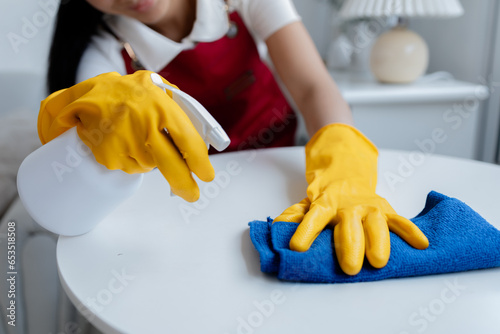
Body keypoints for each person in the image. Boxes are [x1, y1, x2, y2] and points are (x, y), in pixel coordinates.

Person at [41, 0, 429, 275]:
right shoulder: (102, 50)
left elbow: (312, 86)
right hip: (187, 201)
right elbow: (88, 158)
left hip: (281, 176)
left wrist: (344, 163)